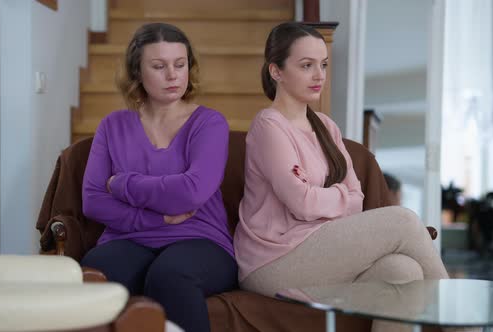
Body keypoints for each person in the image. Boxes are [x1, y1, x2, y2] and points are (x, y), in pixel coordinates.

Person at [233, 22, 448, 331]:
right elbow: (302, 204)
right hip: (272, 262)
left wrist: (329, 196)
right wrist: (338, 196)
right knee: (403, 221)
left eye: (323, 64)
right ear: (276, 71)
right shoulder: (269, 126)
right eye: (306, 66)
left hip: (320, 251)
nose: (319, 75)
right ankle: (457, 325)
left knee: (403, 270)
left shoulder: (325, 126)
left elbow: (356, 199)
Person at [80, 23, 237, 332]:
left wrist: (123, 183)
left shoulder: (209, 123)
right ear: (137, 72)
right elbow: (93, 201)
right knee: (96, 273)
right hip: (126, 238)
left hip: (200, 238)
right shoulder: (112, 125)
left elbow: (192, 191)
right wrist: (159, 221)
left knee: (170, 275)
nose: (172, 75)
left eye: (180, 65)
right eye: (159, 66)